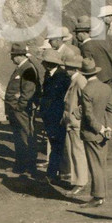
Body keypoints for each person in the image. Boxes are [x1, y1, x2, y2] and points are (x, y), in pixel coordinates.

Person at [78, 58, 112, 207]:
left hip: (92, 133)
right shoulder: (106, 88)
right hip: (105, 133)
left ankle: (98, 196)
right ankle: (102, 194)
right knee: (101, 163)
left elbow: (88, 115)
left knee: (94, 165)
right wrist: (108, 128)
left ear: (84, 74)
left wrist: (99, 129)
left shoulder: (86, 90)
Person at [3, 43, 41, 175]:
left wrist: (19, 107)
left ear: (19, 56)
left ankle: (29, 167)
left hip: (22, 111)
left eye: (13, 56)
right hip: (16, 111)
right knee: (19, 138)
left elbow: (28, 92)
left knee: (26, 138)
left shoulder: (28, 68)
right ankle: (20, 165)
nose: (11, 59)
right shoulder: (21, 67)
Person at [38, 49, 70, 183]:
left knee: (57, 146)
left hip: (56, 117)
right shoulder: (49, 74)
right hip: (49, 116)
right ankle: (58, 173)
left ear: (48, 63)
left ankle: (52, 174)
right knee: (56, 145)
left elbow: (62, 99)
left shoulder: (62, 76)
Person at [60, 49, 89, 196]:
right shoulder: (74, 80)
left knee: (78, 152)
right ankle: (76, 179)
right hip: (70, 122)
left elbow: (87, 101)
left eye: (68, 68)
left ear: (75, 69)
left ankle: (80, 182)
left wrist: (77, 115)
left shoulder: (80, 80)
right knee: (73, 151)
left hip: (76, 123)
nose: (66, 70)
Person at [74, 16, 112, 87]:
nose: (76, 36)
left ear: (83, 33)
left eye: (77, 33)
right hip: (109, 74)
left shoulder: (85, 47)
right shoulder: (97, 42)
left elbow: (88, 65)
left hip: (99, 78)